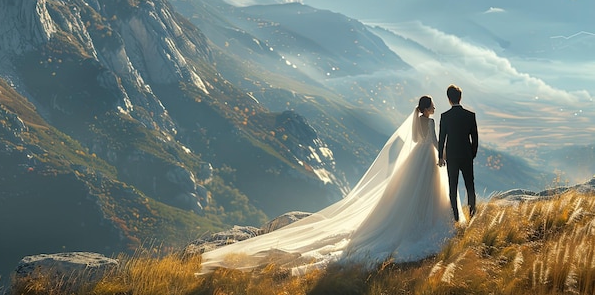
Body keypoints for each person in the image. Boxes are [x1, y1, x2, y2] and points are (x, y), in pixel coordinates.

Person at [199, 96, 463, 275]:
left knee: (407, 195)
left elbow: (415, 140)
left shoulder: (417, 121)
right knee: (426, 194)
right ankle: (423, 220)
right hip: (427, 159)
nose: (434, 110)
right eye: (432, 107)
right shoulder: (429, 122)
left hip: (413, 161)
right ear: (427, 109)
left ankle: (413, 217)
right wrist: (443, 157)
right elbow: (434, 142)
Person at [438, 84, 478, 222]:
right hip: (466, 155)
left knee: (452, 187)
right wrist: (472, 154)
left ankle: (455, 218)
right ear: (460, 98)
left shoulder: (445, 116)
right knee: (470, 186)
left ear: (449, 99)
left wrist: (440, 157)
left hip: (452, 156)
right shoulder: (470, 115)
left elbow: (442, 138)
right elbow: (475, 138)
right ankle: (472, 216)